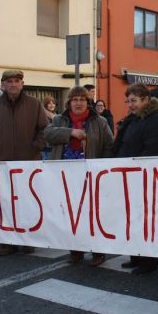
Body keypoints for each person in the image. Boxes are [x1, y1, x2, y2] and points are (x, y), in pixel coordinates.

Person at [45, 86, 114, 266]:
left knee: (92, 213)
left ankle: (98, 251)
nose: (78, 103)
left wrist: (101, 167)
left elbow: (109, 144)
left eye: (82, 99)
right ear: (69, 102)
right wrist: (70, 133)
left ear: (87, 102)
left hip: (90, 174)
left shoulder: (99, 121)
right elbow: (48, 134)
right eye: (75, 99)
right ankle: (75, 250)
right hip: (65, 174)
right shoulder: (60, 119)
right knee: (70, 213)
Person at [0, 69, 48, 256]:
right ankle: (7, 241)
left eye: (17, 81)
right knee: (5, 202)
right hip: (4, 163)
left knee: (28, 203)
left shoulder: (34, 104)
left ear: (22, 84)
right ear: (3, 84)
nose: (13, 84)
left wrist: (34, 148)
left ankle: (28, 239)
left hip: (29, 162)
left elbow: (43, 129)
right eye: (9, 81)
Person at [114, 83, 158, 274]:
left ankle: (148, 261)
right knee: (132, 219)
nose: (130, 105)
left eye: (134, 101)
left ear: (145, 100)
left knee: (145, 219)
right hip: (128, 175)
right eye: (128, 101)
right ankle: (136, 256)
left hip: (142, 177)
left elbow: (153, 150)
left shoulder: (155, 120)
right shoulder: (134, 119)